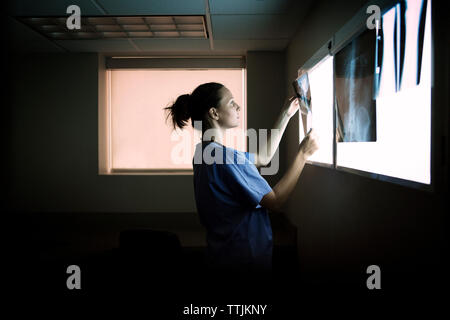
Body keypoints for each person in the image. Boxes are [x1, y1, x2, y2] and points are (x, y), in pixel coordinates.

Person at [164, 82, 318, 279]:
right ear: (214, 113)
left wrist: (286, 114)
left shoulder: (204, 152)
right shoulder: (225, 157)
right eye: (231, 103)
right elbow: (275, 201)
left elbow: (263, 157)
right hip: (244, 261)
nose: (237, 107)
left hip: (222, 256)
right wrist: (303, 155)